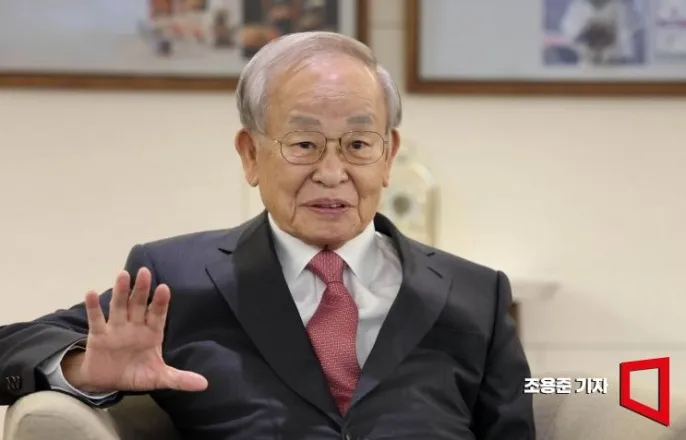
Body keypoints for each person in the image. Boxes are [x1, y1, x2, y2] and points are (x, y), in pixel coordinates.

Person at [0, 32, 535, 439]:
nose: (332, 173)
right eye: (303, 144)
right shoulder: (177, 278)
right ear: (250, 155)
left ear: (389, 155)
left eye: (357, 144)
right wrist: (80, 369)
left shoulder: (476, 294)